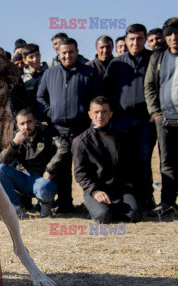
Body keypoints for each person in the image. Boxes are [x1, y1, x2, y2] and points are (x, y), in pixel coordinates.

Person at [37, 38, 102, 213]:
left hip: (81, 130)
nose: (67, 55)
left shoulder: (89, 73)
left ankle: (93, 204)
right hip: (58, 130)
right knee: (62, 170)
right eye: (64, 52)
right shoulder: (50, 74)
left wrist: (90, 120)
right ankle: (65, 204)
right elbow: (40, 97)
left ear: (77, 51)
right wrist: (50, 112)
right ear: (58, 53)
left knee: (86, 167)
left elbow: (96, 99)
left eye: (71, 52)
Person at [104, 23, 155, 211]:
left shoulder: (153, 59)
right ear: (126, 41)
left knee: (143, 160)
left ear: (145, 40)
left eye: (140, 39)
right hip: (121, 121)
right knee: (123, 161)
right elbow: (108, 91)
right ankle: (125, 200)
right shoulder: (117, 63)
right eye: (131, 39)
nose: (135, 43)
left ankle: (147, 199)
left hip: (145, 120)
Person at [73, 96, 142, 224]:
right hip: (95, 190)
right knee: (103, 217)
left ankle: (111, 208)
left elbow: (132, 163)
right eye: (96, 112)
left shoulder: (122, 136)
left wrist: (129, 182)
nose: (100, 116)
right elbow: (80, 173)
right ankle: (95, 208)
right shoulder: (80, 141)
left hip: (119, 189)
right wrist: (95, 191)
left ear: (111, 114)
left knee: (135, 215)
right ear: (90, 114)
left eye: (104, 112)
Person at [0, 109, 68, 218]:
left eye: (29, 122)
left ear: (35, 121)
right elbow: (3, 160)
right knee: (0, 170)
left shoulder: (48, 132)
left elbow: (64, 147)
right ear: (17, 125)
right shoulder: (15, 136)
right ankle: (16, 208)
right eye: (22, 124)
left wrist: (50, 169)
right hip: (23, 180)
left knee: (44, 187)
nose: (26, 127)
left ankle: (45, 205)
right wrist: (15, 143)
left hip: (43, 180)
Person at [144, 17, 178, 217]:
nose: (174, 38)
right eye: (170, 34)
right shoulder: (158, 57)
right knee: (167, 163)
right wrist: (155, 113)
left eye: (177, 33)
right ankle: (167, 202)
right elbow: (149, 86)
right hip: (164, 119)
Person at [20, 43, 48, 120]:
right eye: (31, 57)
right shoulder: (22, 79)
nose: (35, 59)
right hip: (31, 120)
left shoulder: (49, 74)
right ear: (25, 60)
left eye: (37, 55)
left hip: (49, 116)